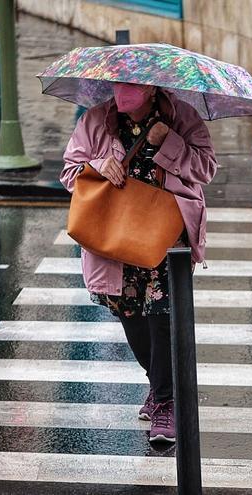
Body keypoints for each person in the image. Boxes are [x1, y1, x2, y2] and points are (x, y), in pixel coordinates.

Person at [60, 82, 217, 443]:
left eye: (132, 86)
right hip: (115, 233)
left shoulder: (182, 116)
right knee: (130, 315)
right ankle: (160, 383)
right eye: (119, 85)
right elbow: (70, 171)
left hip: (166, 235)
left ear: (151, 89)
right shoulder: (97, 118)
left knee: (162, 316)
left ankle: (166, 404)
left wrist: (170, 143)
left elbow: (206, 169)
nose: (124, 92)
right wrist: (98, 166)